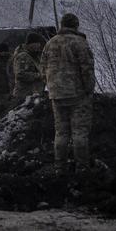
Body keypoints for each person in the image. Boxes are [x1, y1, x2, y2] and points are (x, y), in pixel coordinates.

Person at [40, 13, 95, 171]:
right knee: (79, 131)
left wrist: (51, 85)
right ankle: (82, 167)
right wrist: (89, 89)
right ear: (76, 25)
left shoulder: (49, 43)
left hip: (56, 95)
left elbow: (42, 69)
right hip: (77, 94)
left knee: (61, 132)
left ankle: (60, 166)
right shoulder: (80, 43)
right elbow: (87, 69)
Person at [12, 32, 47, 99]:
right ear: (31, 44)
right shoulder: (23, 56)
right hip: (24, 95)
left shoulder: (35, 55)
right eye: (37, 43)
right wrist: (39, 75)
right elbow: (20, 74)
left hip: (34, 93)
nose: (39, 46)